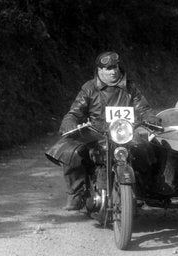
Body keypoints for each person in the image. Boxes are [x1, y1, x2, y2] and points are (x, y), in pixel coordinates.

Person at [45, 51, 154, 210]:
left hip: (125, 133)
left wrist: (150, 118)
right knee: (72, 153)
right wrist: (70, 124)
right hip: (97, 133)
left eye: (115, 67)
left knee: (146, 151)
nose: (113, 71)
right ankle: (75, 193)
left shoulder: (130, 87)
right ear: (99, 70)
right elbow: (75, 112)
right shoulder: (89, 88)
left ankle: (143, 191)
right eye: (108, 68)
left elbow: (143, 108)